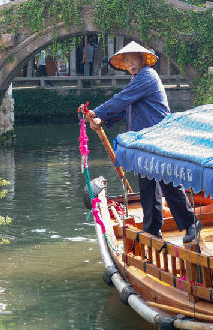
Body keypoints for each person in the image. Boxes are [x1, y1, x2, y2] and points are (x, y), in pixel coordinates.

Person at [81, 41, 200, 243]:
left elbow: (122, 98)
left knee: (168, 184)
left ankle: (191, 224)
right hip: (143, 142)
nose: (130, 64)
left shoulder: (147, 76)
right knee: (147, 188)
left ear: (142, 59)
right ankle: (153, 230)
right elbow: (126, 107)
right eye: (126, 61)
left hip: (159, 138)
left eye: (133, 59)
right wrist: (103, 119)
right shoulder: (138, 81)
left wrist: (96, 112)